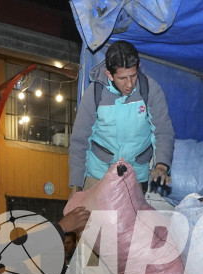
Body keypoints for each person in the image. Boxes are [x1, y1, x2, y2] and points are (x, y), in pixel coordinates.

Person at [69, 40, 175, 193]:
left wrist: (161, 165)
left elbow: (163, 131)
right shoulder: (94, 93)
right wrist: (76, 186)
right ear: (109, 75)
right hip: (98, 173)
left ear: (138, 67)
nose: (129, 84)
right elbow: (80, 140)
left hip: (135, 174)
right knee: (91, 209)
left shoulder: (150, 89)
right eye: (122, 78)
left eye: (133, 76)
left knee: (131, 209)